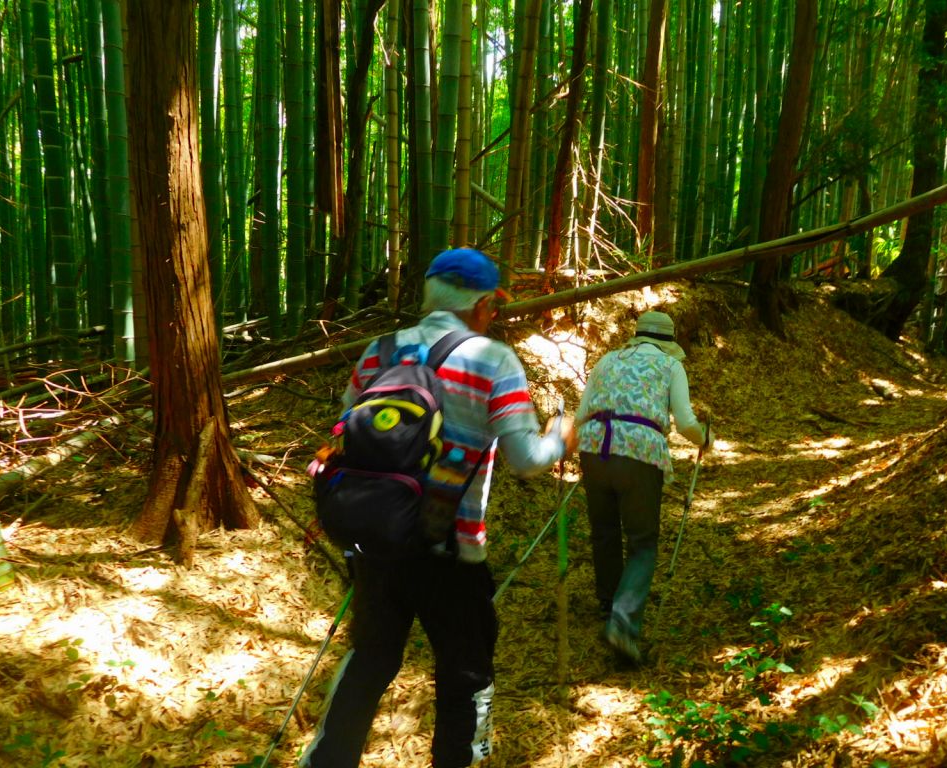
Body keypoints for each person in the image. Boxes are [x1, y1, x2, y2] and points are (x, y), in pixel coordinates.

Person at [300, 248, 577, 768]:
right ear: (481, 305)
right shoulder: (494, 360)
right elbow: (527, 458)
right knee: (465, 671)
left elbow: (346, 432)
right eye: (493, 306)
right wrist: (561, 437)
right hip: (450, 546)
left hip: (375, 540)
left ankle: (325, 761)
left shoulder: (379, 353)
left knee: (370, 659)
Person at [575, 310, 713, 664]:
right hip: (640, 451)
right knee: (642, 542)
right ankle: (622, 624)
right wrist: (705, 438)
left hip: (594, 446)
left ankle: (609, 605)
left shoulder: (607, 360)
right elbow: (685, 422)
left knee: (604, 531)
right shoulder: (670, 366)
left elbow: (580, 415)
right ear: (669, 341)